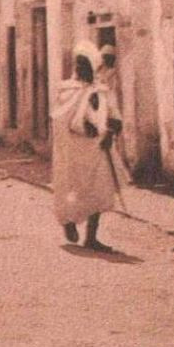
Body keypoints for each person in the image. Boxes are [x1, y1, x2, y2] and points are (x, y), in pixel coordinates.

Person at [50, 40, 120, 253]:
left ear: (93, 67)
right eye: (78, 65)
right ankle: (69, 222)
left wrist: (110, 131)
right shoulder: (66, 90)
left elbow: (115, 118)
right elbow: (59, 120)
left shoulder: (103, 92)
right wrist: (81, 126)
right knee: (72, 190)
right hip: (72, 152)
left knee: (99, 191)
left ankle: (91, 237)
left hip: (97, 150)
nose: (81, 69)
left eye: (85, 65)